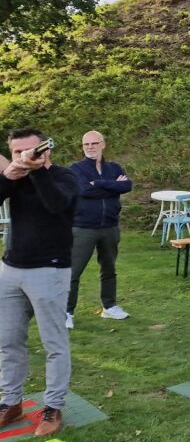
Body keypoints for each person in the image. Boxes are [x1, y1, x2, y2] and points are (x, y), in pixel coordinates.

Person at [0, 128, 79, 437]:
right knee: (7, 342)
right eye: (18, 151)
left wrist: (35, 172)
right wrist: (11, 175)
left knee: (54, 343)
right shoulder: (14, 177)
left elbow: (57, 204)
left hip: (50, 269)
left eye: (31, 150)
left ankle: (53, 406)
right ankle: (11, 402)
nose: (24, 156)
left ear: (46, 150)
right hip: (10, 269)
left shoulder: (64, 176)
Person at [66, 130, 132, 327]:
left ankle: (109, 307)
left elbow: (126, 186)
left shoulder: (114, 167)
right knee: (73, 271)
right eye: (86, 144)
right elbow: (84, 190)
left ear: (103, 144)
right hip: (83, 227)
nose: (90, 147)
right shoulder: (76, 168)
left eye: (94, 143)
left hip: (110, 227)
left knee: (109, 268)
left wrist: (100, 183)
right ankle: (67, 312)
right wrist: (112, 186)